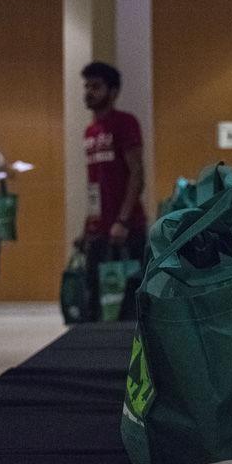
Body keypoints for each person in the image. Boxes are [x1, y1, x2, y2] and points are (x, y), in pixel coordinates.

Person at [80, 61, 146, 321]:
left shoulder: (125, 123)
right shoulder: (90, 131)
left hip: (126, 229)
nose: (89, 92)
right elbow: (94, 183)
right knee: (96, 304)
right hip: (99, 229)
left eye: (96, 86)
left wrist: (123, 220)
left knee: (127, 305)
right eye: (86, 86)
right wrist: (87, 224)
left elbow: (137, 174)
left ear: (113, 91)